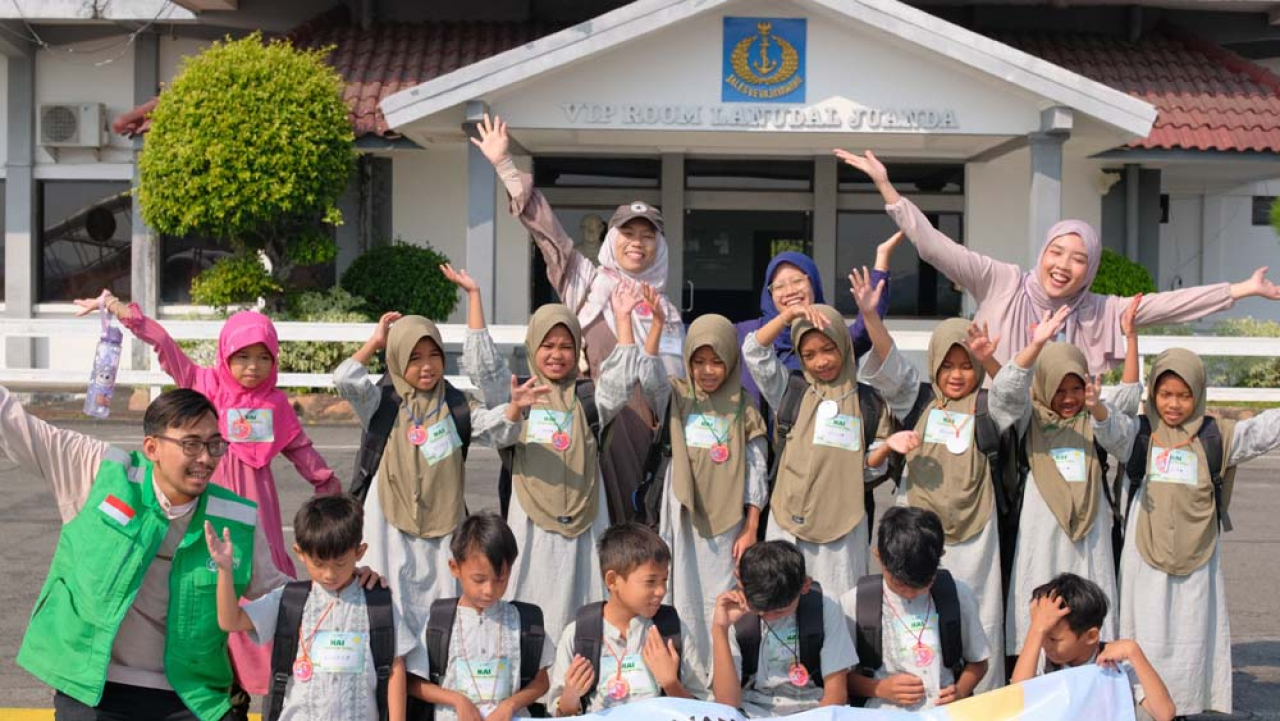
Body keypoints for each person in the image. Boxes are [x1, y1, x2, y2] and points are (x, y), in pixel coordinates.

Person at [75, 290, 340, 697]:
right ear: (225, 355)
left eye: (263, 357)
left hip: (257, 518)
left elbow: (304, 453)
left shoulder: (276, 404)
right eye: (243, 357)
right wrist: (118, 310)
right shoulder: (205, 385)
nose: (252, 367)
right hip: (207, 513)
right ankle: (217, 688)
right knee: (205, 594)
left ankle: (271, 685)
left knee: (260, 594)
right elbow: (164, 345)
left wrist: (332, 493)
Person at [834, 149, 1280, 375]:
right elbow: (934, 247)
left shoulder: (1098, 309)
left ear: (1091, 269)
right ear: (1043, 252)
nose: (1064, 265)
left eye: (1079, 258)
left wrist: (1240, 290)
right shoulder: (1001, 280)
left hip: (1064, 430)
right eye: (1057, 251)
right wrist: (887, 188)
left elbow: (1169, 305)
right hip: (997, 422)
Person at [6, 386, 288, 720]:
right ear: (152, 447)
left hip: (194, 695)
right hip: (92, 688)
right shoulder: (98, 472)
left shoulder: (236, 519)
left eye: (214, 445)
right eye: (191, 444)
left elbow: (280, 594)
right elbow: (11, 420)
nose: (206, 458)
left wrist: (348, 584)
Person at [471, 113, 684, 526]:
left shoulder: (668, 312)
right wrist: (505, 166)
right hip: (592, 431)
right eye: (627, 233)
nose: (636, 243)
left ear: (659, 246)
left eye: (647, 236)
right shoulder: (586, 282)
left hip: (650, 437)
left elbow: (673, 384)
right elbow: (548, 234)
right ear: (612, 238)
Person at [333, 267, 540, 673]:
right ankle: (390, 688)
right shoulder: (382, 402)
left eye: (434, 356)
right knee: (388, 607)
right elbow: (345, 378)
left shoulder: (456, 405)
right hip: (388, 523)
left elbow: (495, 428)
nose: (426, 367)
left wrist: (515, 407)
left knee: (440, 610)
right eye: (414, 357)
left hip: (445, 525)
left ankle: (434, 688)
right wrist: (375, 342)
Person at [849, 266, 1009, 693]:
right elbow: (892, 361)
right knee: (911, 614)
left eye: (967, 365)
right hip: (916, 531)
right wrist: (870, 317)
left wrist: (991, 358)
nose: (957, 374)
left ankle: (974, 696)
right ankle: (913, 685)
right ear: (935, 363)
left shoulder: (989, 408)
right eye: (948, 364)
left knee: (976, 615)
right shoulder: (917, 398)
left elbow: (1016, 391)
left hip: (974, 532)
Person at [468, 292, 654, 647]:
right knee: (531, 594)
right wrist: (477, 297)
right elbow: (485, 369)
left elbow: (620, 381)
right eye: (547, 345)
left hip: (585, 519)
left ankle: (578, 676)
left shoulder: (588, 399)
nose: (556, 354)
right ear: (532, 346)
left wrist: (625, 320)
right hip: (532, 521)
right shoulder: (518, 394)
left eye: (566, 345)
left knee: (582, 600)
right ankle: (533, 679)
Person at [1113, 348, 1280, 715]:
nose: (1174, 404)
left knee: (1193, 630)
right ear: (1153, 394)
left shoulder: (1215, 435)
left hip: (1199, 554)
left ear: (1199, 394)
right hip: (1146, 552)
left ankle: (1184, 704)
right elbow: (1109, 430)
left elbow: (1263, 432)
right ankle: (1143, 701)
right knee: (1147, 628)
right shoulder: (1140, 434)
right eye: (1165, 394)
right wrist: (1096, 408)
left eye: (1185, 395)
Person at [990, 303, 1142, 658]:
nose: (1069, 398)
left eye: (1076, 387)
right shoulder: (1030, 417)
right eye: (1060, 389)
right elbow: (1004, 395)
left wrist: (1130, 338)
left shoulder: (1095, 416)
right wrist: (1037, 345)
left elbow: (1126, 425)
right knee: (1042, 602)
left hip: (1089, 533)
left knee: (1090, 605)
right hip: (1042, 531)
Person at [742, 302, 914, 598]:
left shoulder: (868, 402)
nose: (820, 362)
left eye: (828, 349)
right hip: (788, 524)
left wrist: (887, 448)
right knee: (784, 604)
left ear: (844, 346)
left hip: (843, 530)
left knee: (840, 610)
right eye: (808, 355)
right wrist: (787, 316)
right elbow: (754, 351)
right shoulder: (791, 390)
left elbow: (868, 469)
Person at [206, 494, 414, 721]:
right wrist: (225, 571)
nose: (330, 574)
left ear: (359, 552)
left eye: (341, 563)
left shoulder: (377, 603)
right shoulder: (290, 600)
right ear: (300, 554)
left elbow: (394, 666)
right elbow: (230, 621)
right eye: (319, 563)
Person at [648, 312, 769, 683]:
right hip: (682, 517)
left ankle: (721, 678)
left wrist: (751, 527)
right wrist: (654, 329)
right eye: (699, 361)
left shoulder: (745, 405)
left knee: (719, 599)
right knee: (680, 594)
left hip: (727, 523)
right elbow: (648, 379)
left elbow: (756, 468)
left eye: (717, 360)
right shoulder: (679, 396)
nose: (708, 370)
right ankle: (680, 676)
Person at [406, 513, 553, 721]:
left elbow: (542, 681)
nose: (489, 590)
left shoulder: (523, 622)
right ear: (455, 568)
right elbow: (413, 682)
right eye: (479, 579)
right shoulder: (439, 622)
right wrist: (458, 701)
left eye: (500, 579)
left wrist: (510, 705)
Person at [734, 233, 904, 413]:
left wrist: (882, 261)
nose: (789, 291)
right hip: (766, 437)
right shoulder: (746, 332)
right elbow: (748, 349)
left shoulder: (830, 333)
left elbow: (867, 327)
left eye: (797, 281)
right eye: (779, 286)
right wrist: (787, 316)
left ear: (813, 282)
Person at [842, 507, 989, 711]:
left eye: (922, 585)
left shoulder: (957, 595)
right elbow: (838, 678)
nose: (910, 593)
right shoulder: (856, 603)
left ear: (940, 557)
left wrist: (961, 690)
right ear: (879, 557)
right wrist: (878, 688)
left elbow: (979, 661)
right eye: (900, 584)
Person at [551, 523, 705, 716]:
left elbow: (704, 709)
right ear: (612, 580)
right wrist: (571, 696)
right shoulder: (578, 635)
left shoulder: (671, 631)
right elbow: (558, 714)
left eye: (664, 580)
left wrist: (670, 683)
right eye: (650, 581)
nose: (661, 591)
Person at [709, 540, 856, 717]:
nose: (769, 617)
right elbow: (727, 703)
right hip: (751, 709)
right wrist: (720, 629)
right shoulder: (731, 610)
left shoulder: (824, 605)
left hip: (812, 710)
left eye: (780, 611)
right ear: (740, 582)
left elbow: (836, 694)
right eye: (760, 610)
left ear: (805, 586)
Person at [1010, 573, 1175, 721]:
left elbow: (1164, 714)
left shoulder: (1116, 662)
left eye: (1053, 639)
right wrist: (1036, 630)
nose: (1045, 645)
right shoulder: (1043, 658)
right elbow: (1017, 701)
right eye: (1041, 635)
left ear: (1091, 636)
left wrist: (1134, 652)